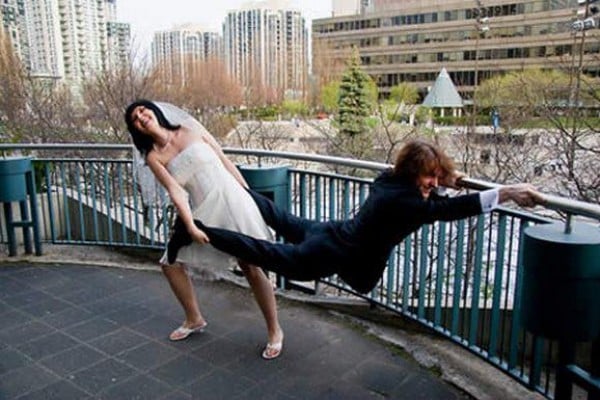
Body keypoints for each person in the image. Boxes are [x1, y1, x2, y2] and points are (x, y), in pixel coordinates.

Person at [167, 139, 545, 294]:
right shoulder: (410, 202)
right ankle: (194, 229)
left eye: (436, 176)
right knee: (262, 251)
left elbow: (436, 192)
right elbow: (451, 209)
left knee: (275, 215)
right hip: (330, 251)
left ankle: (227, 190)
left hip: (331, 233)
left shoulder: (389, 180)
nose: (433, 183)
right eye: (428, 177)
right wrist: (507, 192)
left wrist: (450, 178)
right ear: (413, 173)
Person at [125, 100, 284, 359]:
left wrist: (250, 196)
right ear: (136, 129)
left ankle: (275, 331)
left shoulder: (190, 127)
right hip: (202, 212)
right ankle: (194, 318)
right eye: (135, 118)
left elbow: (224, 160)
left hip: (233, 201)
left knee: (251, 267)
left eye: (143, 110)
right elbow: (176, 192)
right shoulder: (154, 157)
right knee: (169, 263)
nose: (141, 117)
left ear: (154, 110)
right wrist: (190, 225)